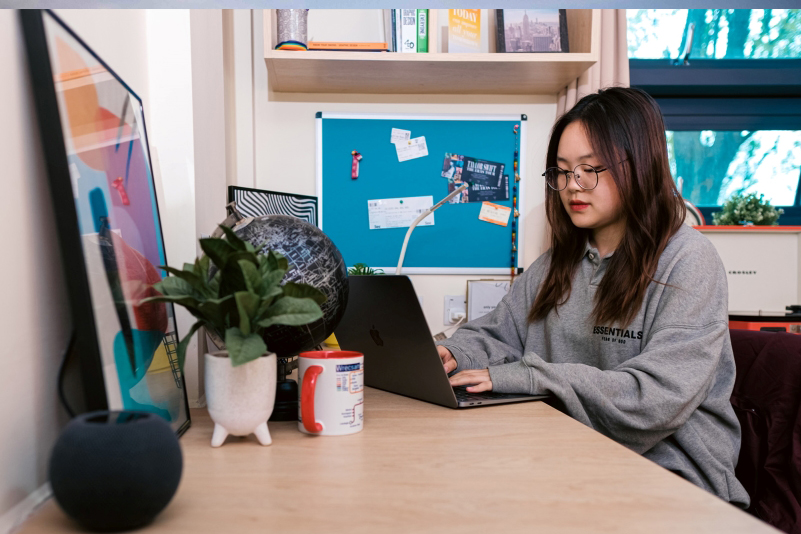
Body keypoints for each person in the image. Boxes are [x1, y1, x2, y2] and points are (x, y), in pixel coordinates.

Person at [436, 87, 750, 508]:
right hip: (570, 455)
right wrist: (454, 353)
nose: (572, 186)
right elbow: (500, 335)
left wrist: (529, 376)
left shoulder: (688, 262)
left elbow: (654, 398)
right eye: (563, 172)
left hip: (671, 478)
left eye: (590, 169)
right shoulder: (555, 264)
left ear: (639, 165)